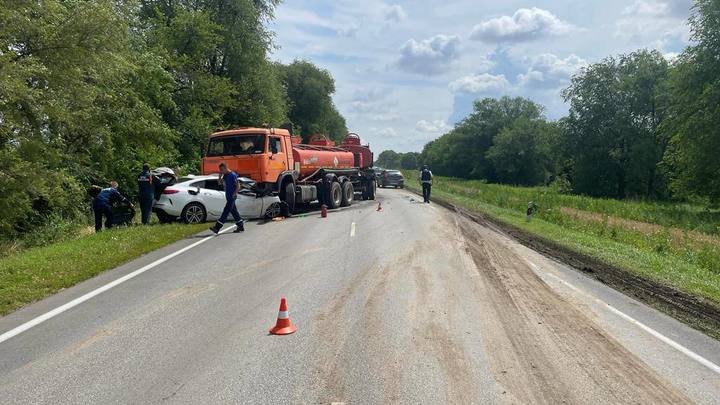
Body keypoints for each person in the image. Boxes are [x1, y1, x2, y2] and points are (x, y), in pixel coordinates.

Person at [209, 163, 245, 234]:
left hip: (232, 197)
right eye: (220, 170)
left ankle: (217, 227)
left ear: (226, 168)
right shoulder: (225, 175)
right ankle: (240, 225)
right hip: (228, 196)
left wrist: (234, 193)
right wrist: (220, 176)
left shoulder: (233, 175)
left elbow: (238, 186)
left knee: (226, 211)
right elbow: (219, 183)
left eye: (221, 170)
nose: (221, 171)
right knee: (234, 211)